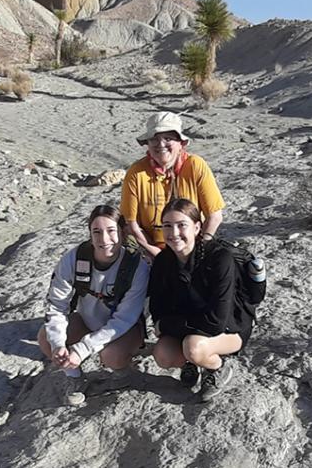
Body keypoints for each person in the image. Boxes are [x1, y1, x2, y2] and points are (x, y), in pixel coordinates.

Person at [148, 198, 254, 401]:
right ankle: (191, 363)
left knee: (193, 347)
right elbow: (157, 309)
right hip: (192, 326)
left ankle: (217, 367)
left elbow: (216, 322)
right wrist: (167, 323)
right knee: (163, 354)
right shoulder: (163, 261)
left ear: (197, 227)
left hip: (230, 328)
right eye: (167, 226)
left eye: (182, 225)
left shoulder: (219, 259)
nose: (174, 233)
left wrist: (170, 325)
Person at [38, 205, 149, 377]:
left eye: (111, 230)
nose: (104, 239)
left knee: (112, 356)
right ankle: (74, 377)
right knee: (47, 338)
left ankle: (124, 372)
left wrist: (83, 348)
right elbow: (57, 306)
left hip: (124, 328)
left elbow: (125, 318)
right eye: (97, 232)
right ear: (90, 234)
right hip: (85, 321)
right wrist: (58, 344)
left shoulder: (136, 267)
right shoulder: (73, 260)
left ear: (123, 232)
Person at [120, 112, 225, 262]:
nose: (161, 144)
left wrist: (199, 250)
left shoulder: (196, 166)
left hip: (194, 248)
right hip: (150, 250)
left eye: (168, 138)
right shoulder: (136, 173)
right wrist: (158, 256)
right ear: (147, 144)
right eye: (154, 139)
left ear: (181, 143)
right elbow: (131, 224)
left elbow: (214, 216)